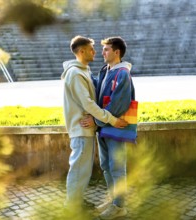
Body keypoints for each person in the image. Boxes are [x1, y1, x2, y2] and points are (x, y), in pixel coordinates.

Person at [61, 35, 128, 212]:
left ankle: (112, 204)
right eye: (92, 49)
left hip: (93, 128)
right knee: (79, 169)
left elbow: (104, 96)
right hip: (82, 128)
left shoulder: (86, 71)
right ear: (82, 51)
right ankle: (72, 206)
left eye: (104, 49)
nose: (96, 52)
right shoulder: (76, 73)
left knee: (86, 170)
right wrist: (111, 119)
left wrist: (98, 121)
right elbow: (89, 103)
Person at [80, 36, 135, 219]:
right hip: (105, 127)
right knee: (105, 166)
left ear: (116, 52)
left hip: (117, 127)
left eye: (106, 49)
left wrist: (97, 121)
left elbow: (118, 104)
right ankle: (114, 201)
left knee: (117, 167)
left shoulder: (123, 74)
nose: (102, 52)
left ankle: (120, 206)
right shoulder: (105, 70)